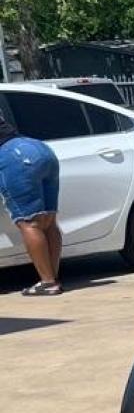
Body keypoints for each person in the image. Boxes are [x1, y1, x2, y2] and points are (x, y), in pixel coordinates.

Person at [0, 113, 63, 295]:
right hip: (39, 148)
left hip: (13, 156)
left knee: (30, 222)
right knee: (49, 220)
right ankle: (52, 278)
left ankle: (48, 282)